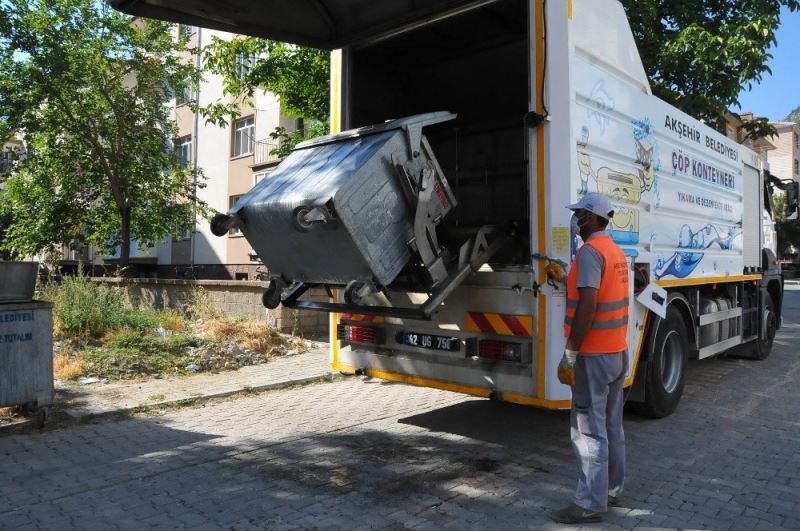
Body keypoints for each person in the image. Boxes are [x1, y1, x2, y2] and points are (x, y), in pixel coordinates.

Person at [550, 192, 630, 524]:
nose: (576, 219)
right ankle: (611, 489)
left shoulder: (589, 253)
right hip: (617, 352)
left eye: (581, 213)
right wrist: (566, 279)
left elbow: (588, 305)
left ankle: (590, 503)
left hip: (593, 357)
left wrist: (570, 354)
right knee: (612, 425)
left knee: (587, 431)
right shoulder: (615, 251)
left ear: (594, 218)